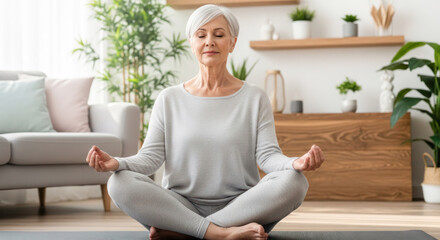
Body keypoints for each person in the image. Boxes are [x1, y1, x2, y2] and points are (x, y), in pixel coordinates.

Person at [86, 4, 324, 240]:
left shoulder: (255, 97)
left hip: (241, 206)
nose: (209, 41)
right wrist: (116, 163)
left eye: (219, 35)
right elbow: (150, 159)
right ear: (192, 43)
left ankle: (187, 231)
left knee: (295, 182)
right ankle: (221, 234)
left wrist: (295, 163)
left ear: (232, 43)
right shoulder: (169, 99)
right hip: (181, 204)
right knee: (119, 183)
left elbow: (268, 156)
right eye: (201, 35)